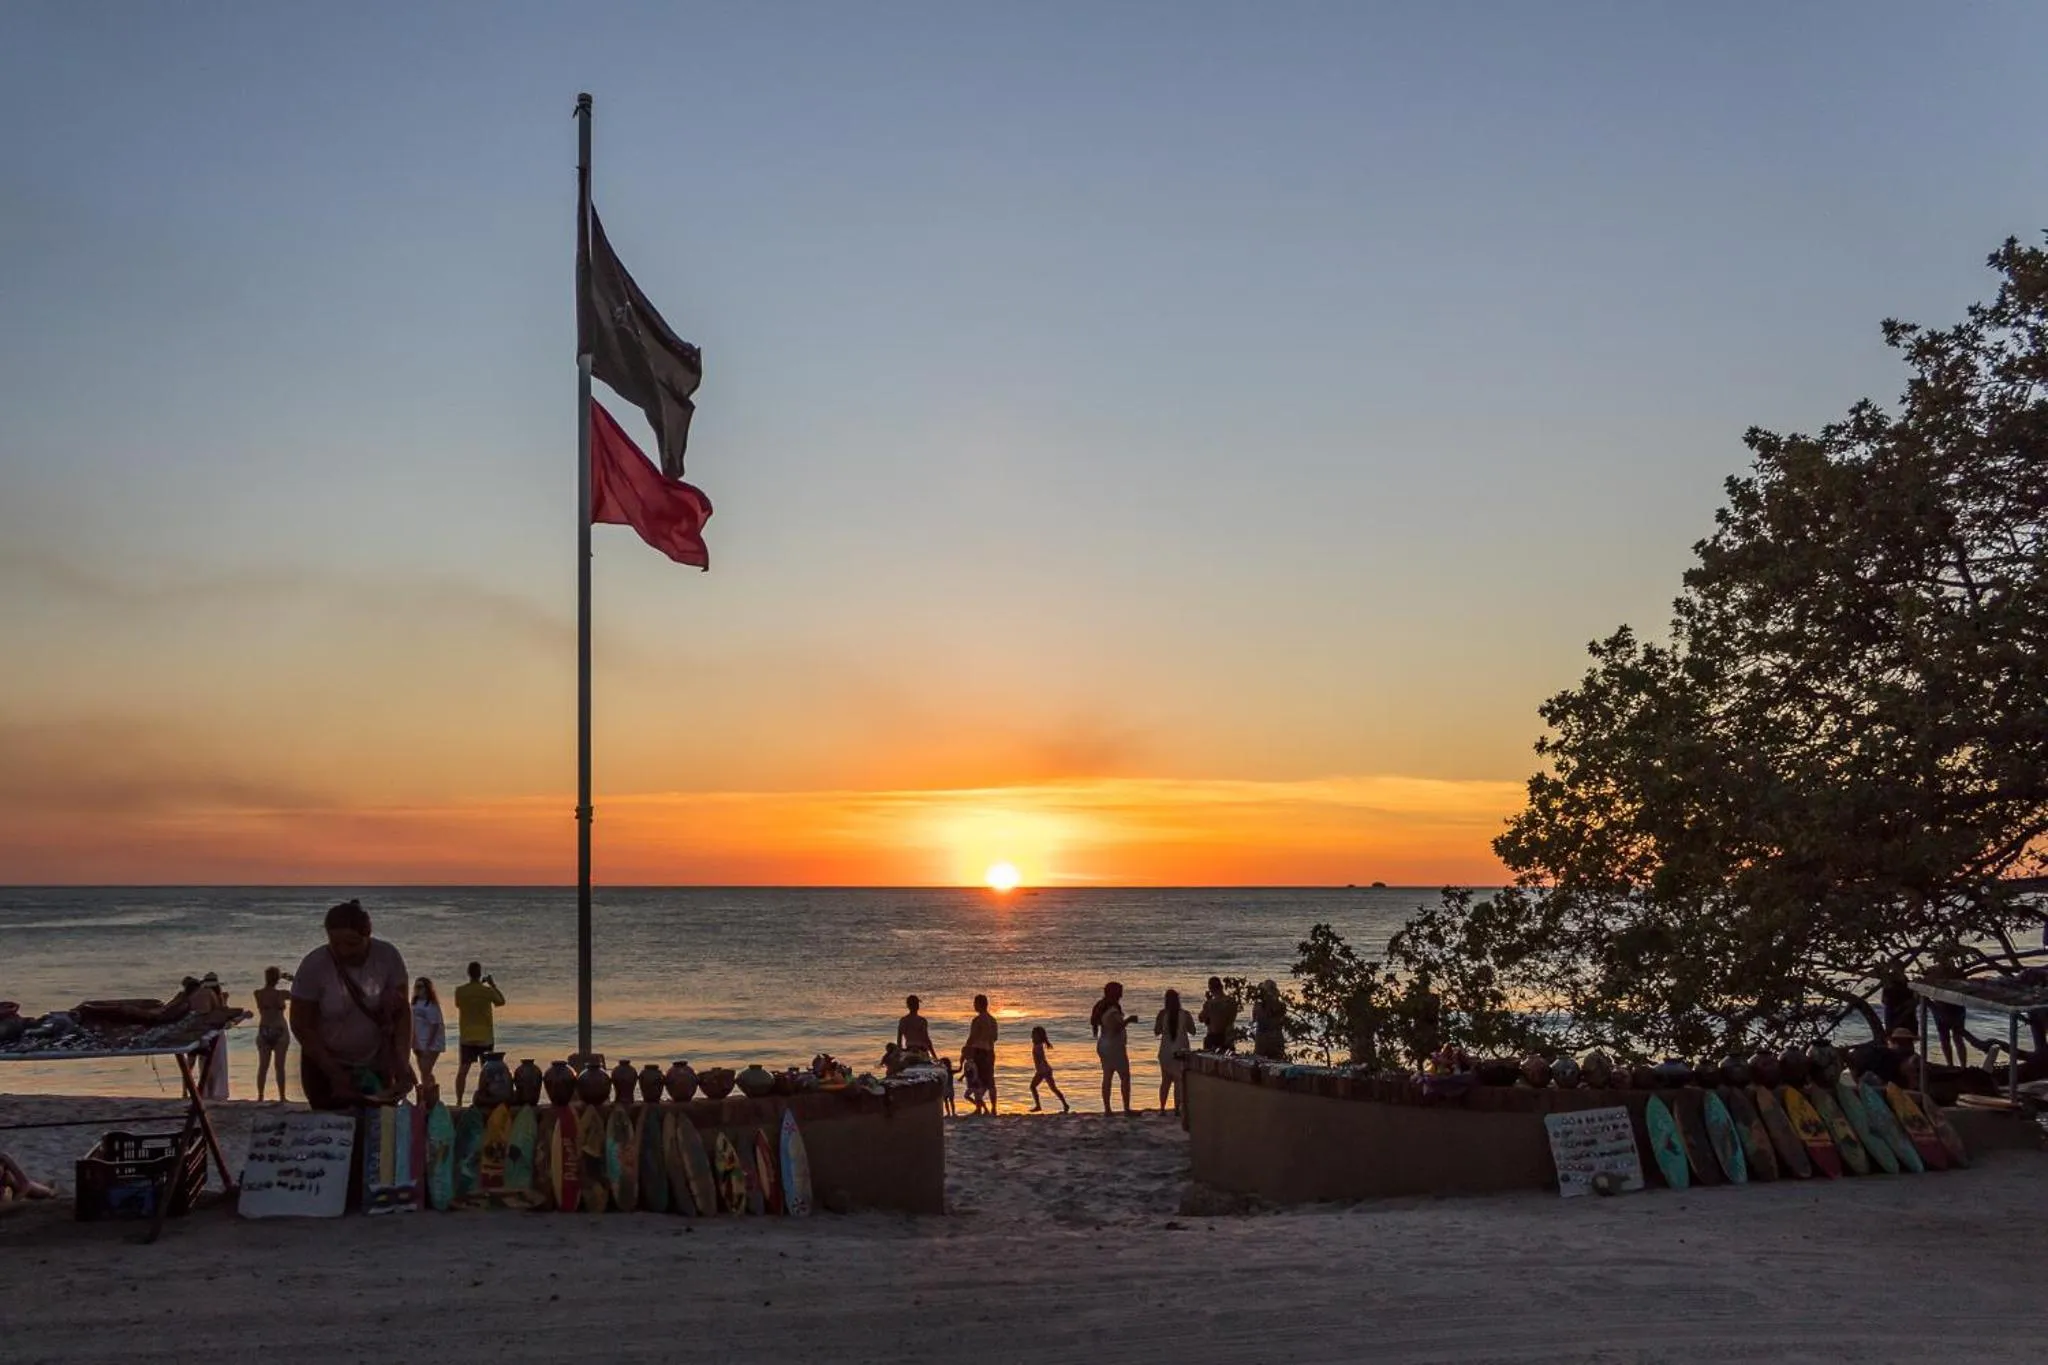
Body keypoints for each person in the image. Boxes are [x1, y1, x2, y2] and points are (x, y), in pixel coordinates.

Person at [288, 898, 415, 1110]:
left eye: (352, 943)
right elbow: (301, 1024)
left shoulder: (387, 957)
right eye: (336, 943)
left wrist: (401, 1060)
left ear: (368, 936)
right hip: (324, 1064)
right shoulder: (314, 965)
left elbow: (402, 1012)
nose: (344, 951)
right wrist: (333, 1072)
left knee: (378, 1128)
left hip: (375, 1061)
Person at [452, 962, 505, 1106]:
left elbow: (458, 1004)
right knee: (487, 1071)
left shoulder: (460, 991)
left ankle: (458, 1101)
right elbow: (501, 1001)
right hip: (485, 1037)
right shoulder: (486, 991)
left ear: (468, 973)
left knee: (463, 1070)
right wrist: (492, 985)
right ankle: (486, 1100)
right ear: (480, 973)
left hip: (467, 1036)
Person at [1090, 982, 1138, 1114]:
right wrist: (1129, 1020)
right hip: (1114, 1046)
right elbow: (1117, 1027)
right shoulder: (1112, 1010)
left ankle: (1107, 1109)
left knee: (1107, 1076)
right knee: (1124, 1077)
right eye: (1120, 991)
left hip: (1103, 1044)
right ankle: (1126, 1108)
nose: (1122, 994)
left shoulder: (1102, 1007)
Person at [252, 967, 293, 1102]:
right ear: (278, 978)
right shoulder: (282, 994)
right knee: (279, 1066)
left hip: (264, 1029)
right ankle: (281, 1096)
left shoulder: (258, 993)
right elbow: (300, 993)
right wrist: (291, 979)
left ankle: (261, 1096)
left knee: (263, 1065)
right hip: (279, 1029)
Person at [1154, 989, 1197, 1114]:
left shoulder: (1162, 1014)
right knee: (1179, 1080)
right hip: (1181, 1051)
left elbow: (1157, 1031)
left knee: (1165, 1081)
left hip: (1165, 1051)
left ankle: (1162, 1108)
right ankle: (1177, 1108)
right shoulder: (1185, 1014)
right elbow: (1193, 1031)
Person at [963, 994, 999, 1114]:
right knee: (990, 1081)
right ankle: (994, 1108)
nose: (974, 1006)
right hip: (990, 1051)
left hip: (979, 1052)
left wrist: (965, 1051)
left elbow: (972, 1038)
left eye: (975, 1003)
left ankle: (979, 1108)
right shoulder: (992, 1020)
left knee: (977, 1080)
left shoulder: (977, 1020)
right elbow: (995, 1038)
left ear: (979, 1004)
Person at [411, 978, 446, 1092]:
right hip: (418, 1042)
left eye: (421, 987)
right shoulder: (414, 1004)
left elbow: (435, 1026)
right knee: (424, 1071)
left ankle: (426, 1095)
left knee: (426, 1070)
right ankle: (431, 1092)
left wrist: (428, 1045)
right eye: (416, 987)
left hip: (431, 1043)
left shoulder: (431, 1005)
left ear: (427, 989)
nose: (418, 989)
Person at [1029, 1026, 1069, 1113]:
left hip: (1043, 1070)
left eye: (1034, 1034)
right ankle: (1065, 1105)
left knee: (1033, 1087)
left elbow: (1041, 1059)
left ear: (1039, 1036)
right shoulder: (1037, 1044)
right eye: (1032, 1034)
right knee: (1052, 1088)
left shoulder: (1038, 1046)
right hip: (1043, 1070)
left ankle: (1039, 1106)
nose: (1032, 1035)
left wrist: (1040, 1070)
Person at [1198, 976, 1237, 1053]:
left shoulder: (1210, 1004)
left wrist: (1207, 1002)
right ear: (1221, 987)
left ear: (1210, 989)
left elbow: (1201, 1018)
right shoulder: (1231, 1001)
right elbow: (1231, 1019)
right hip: (1228, 1036)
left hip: (1213, 1037)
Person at [1252, 979, 1287, 1060]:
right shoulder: (1281, 1005)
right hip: (1275, 1037)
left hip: (1262, 1038)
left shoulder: (1258, 1006)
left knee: (1259, 1062)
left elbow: (1254, 1019)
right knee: (1277, 1061)